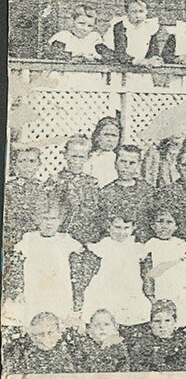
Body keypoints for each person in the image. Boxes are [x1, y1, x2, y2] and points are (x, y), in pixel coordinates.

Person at [11, 196, 87, 327]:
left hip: (58, 290)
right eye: (45, 218)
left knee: (59, 319)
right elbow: (16, 261)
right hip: (35, 289)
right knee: (34, 319)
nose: (49, 223)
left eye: (53, 219)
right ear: (37, 219)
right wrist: (19, 289)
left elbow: (82, 254)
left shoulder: (65, 239)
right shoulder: (29, 238)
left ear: (61, 220)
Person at [82, 211, 151, 328]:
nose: (121, 232)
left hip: (129, 287)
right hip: (107, 287)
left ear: (133, 228)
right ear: (109, 227)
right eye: (117, 227)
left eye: (126, 228)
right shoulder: (104, 245)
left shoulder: (137, 248)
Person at [142, 207, 186, 327]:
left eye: (169, 222)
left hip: (182, 289)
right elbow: (147, 273)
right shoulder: (150, 245)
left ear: (176, 226)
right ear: (153, 225)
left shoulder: (181, 245)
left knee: (184, 317)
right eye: (160, 221)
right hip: (162, 288)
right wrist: (151, 296)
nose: (164, 226)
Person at [43, 135, 100, 244]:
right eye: (73, 156)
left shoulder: (93, 183)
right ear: (65, 155)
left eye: (81, 157)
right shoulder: (54, 181)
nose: (77, 161)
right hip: (61, 235)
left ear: (87, 157)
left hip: (85, 235)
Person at [96, 144, 157, 239]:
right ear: (115, 163)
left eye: (132, 163)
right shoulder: (105, 193)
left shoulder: (149, 191)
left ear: (138, 165)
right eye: (123, 162)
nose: (126, 167)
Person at [97, 0, 160, 64]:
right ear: (127, 13)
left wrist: (154, 58)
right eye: (133, 12)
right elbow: (120, 52)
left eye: (141, 11)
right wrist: (134, 60)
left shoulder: (150, 27)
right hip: (123, 64)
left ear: (146, 12)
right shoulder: (121, 27)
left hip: (143, 66)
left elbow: (154, 49)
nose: (137, 16)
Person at [126, 299, 186, 372]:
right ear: (150, 323)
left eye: (167, 320)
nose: (162, 325)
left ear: (175, 322)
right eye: (157, 321)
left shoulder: (184, 342)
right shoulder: (141, 344)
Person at [7, 312, 76, 373]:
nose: (45, 338)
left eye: (50, 333)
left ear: (58, 333)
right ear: (33, 336)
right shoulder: (25, 358)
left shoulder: (66, 356)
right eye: (40, 334)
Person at [86, 116, 122, 188]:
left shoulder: (120, 158)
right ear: (97, 136)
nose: (110, 139)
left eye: (114, 136)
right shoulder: (90, 158)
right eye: (106, 135)